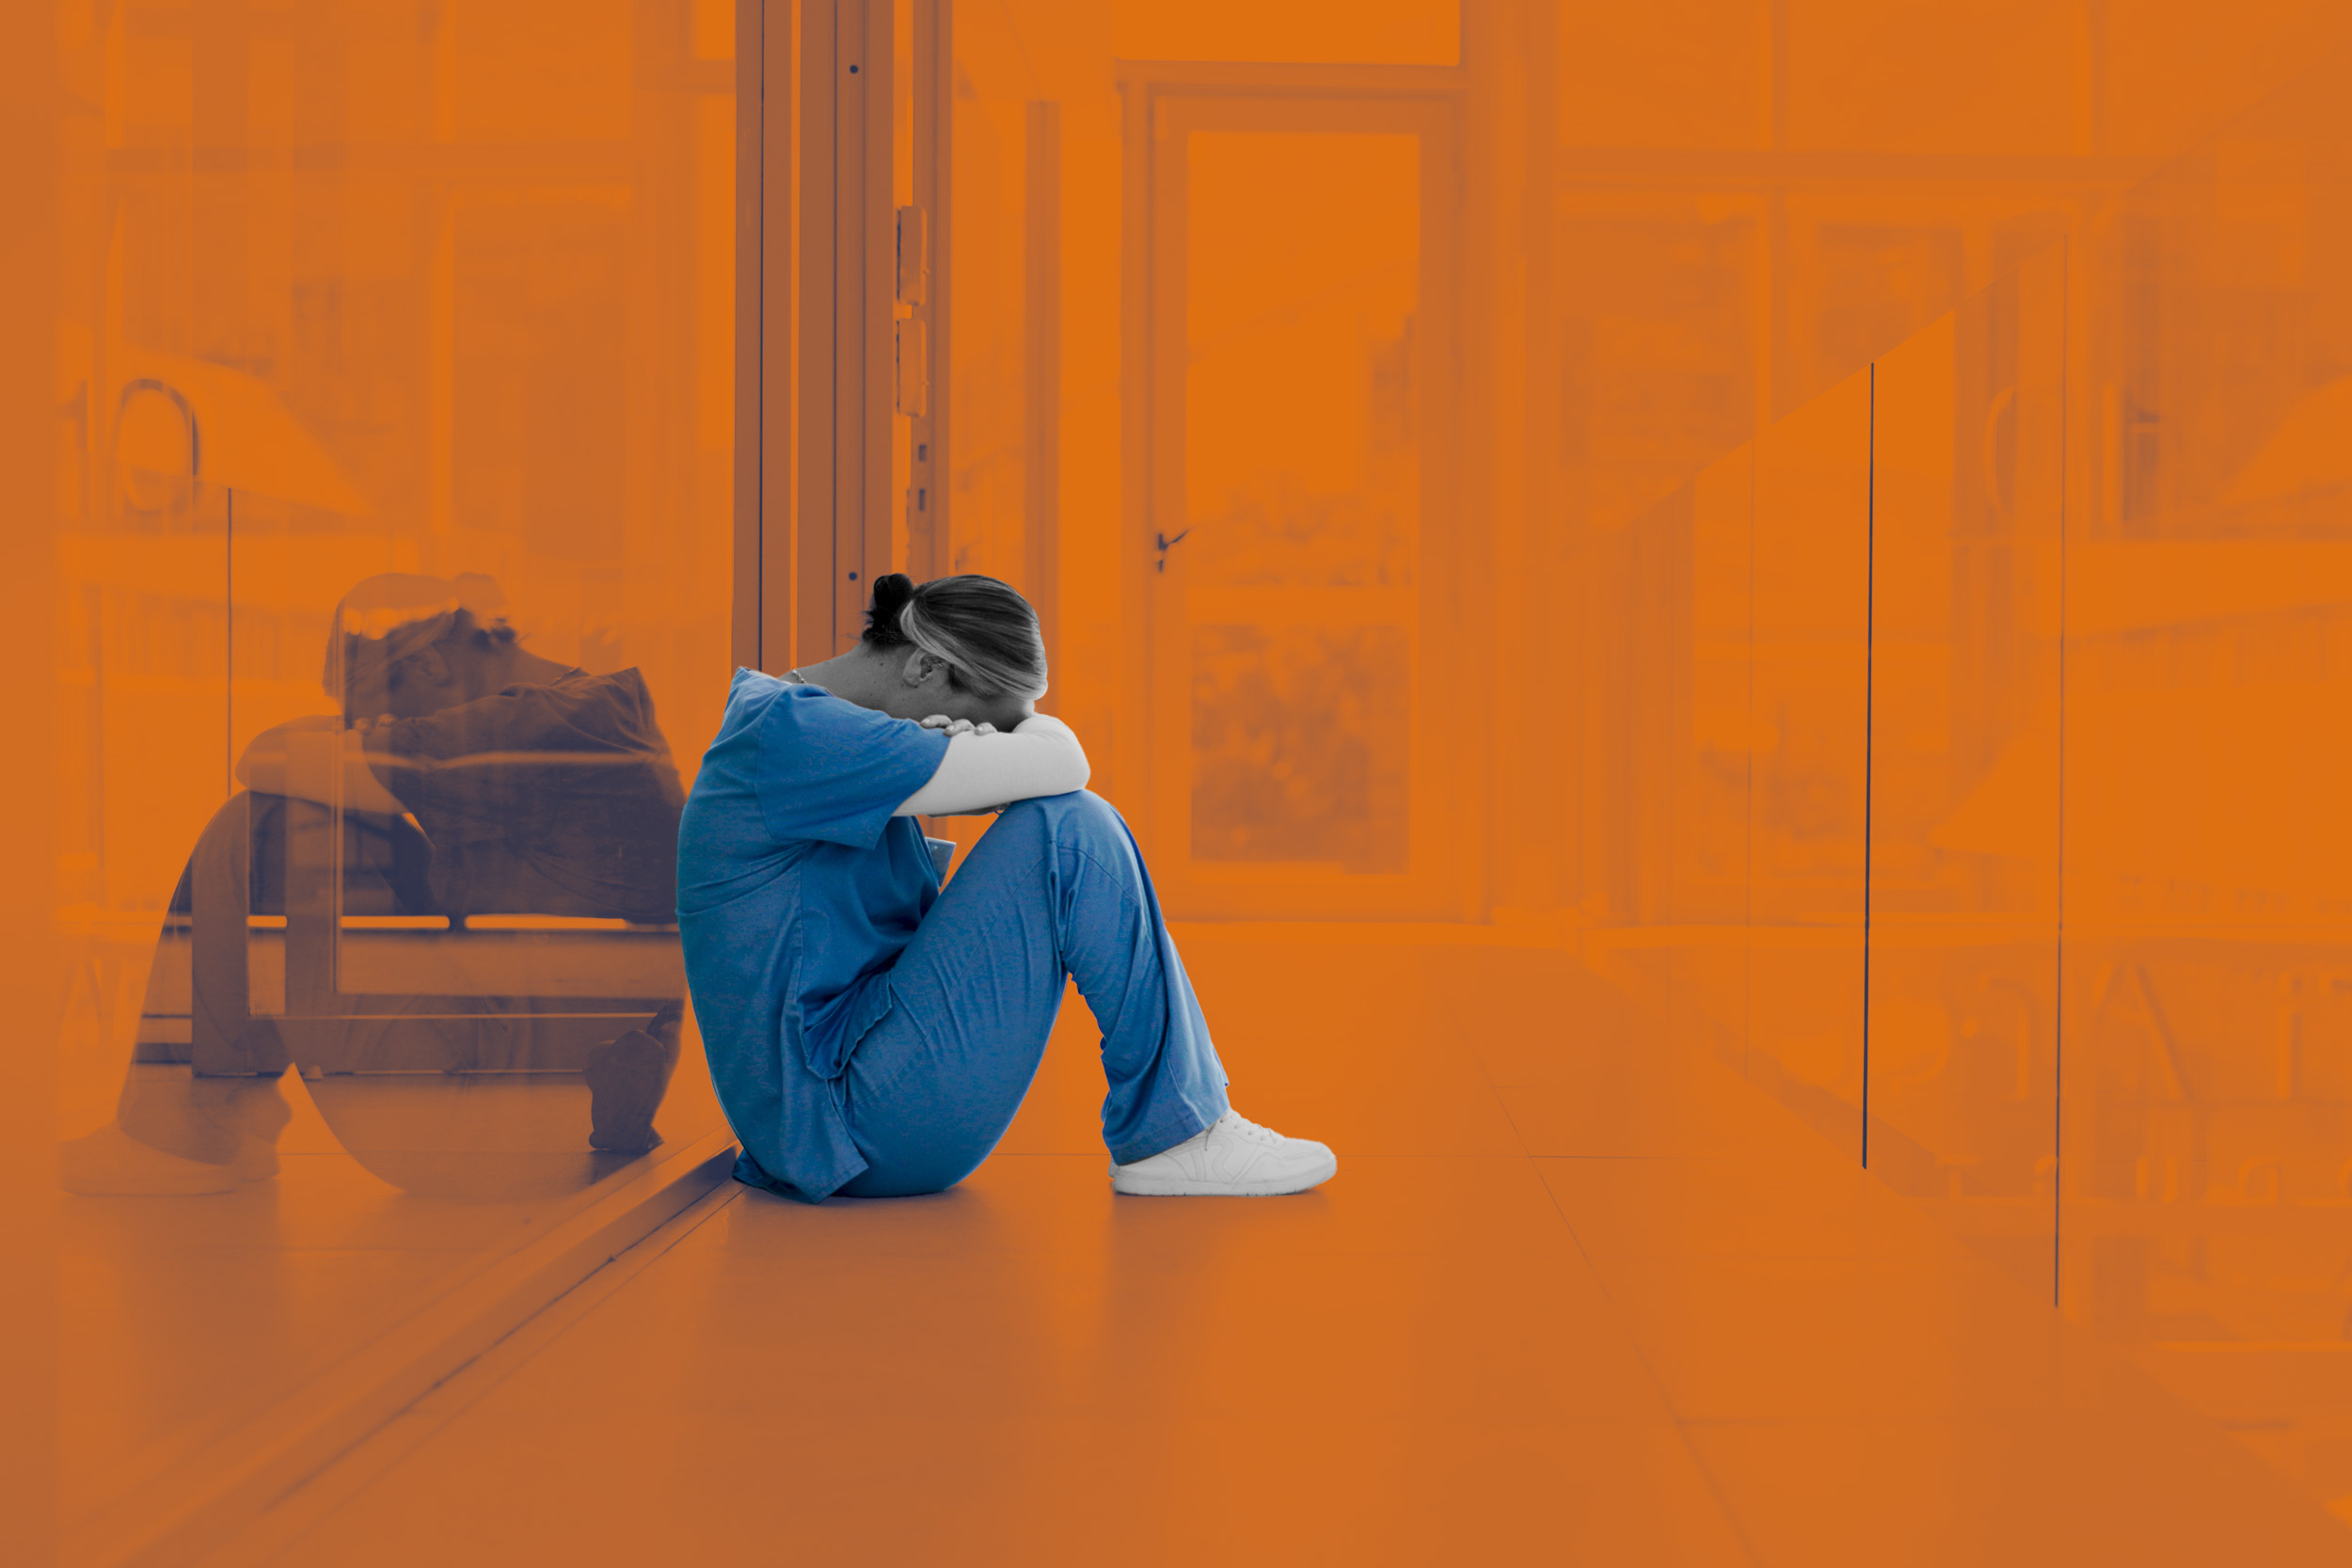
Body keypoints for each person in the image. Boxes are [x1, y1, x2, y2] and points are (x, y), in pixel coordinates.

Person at [678, 571, 1336, 1202]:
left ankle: (1181, 1122)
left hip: (854, 1099)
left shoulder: (826, 729)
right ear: (924, 668)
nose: (996, 735)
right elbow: (1065, 763)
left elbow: (1045, 766)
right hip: (843, 1122)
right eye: (991, 717)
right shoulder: (791, 731)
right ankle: (1179, 1133)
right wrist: (1020, 739)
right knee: (1069, 827)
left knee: (1066, 816)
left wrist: (976, 738)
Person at [60, 573, 689, 1196]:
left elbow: (263, 756)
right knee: (345, 820)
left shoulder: (528, 728)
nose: (377, 730)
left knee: (268, 825)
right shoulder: (592, 708)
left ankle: (187, 1137)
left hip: (501, 1123)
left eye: (378, 716)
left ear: (428, 665)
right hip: (573, 1103)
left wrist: (351, 745)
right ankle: (213, 1120)